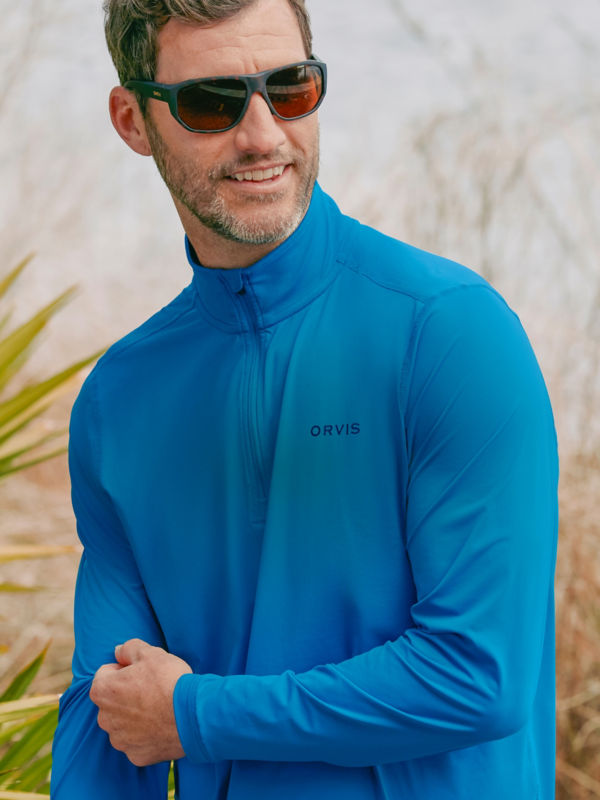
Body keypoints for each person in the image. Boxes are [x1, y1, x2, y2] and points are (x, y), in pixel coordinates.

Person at [50, 0, 559, 797]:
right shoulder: (119, 401)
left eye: (289, 88)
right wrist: (168, 715)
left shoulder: (451, 334)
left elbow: (476, 675)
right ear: (132, 119)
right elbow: (110, 714)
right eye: (212, 102)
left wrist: (198, 713)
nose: (262, 135)